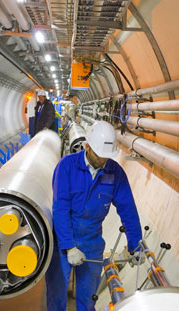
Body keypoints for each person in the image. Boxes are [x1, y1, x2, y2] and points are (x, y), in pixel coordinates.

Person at [45, 120, 143, 311]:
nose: (103, 160)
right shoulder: (67, 166)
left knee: (88, 299)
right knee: (56, 298)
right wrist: (69, 246)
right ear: (87, 146)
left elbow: (128, 209)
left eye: (107, 156)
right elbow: (60, 208)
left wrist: (136, 244)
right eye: (99, 155)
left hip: (92, 241)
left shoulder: (115, 173)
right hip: (62, 241)